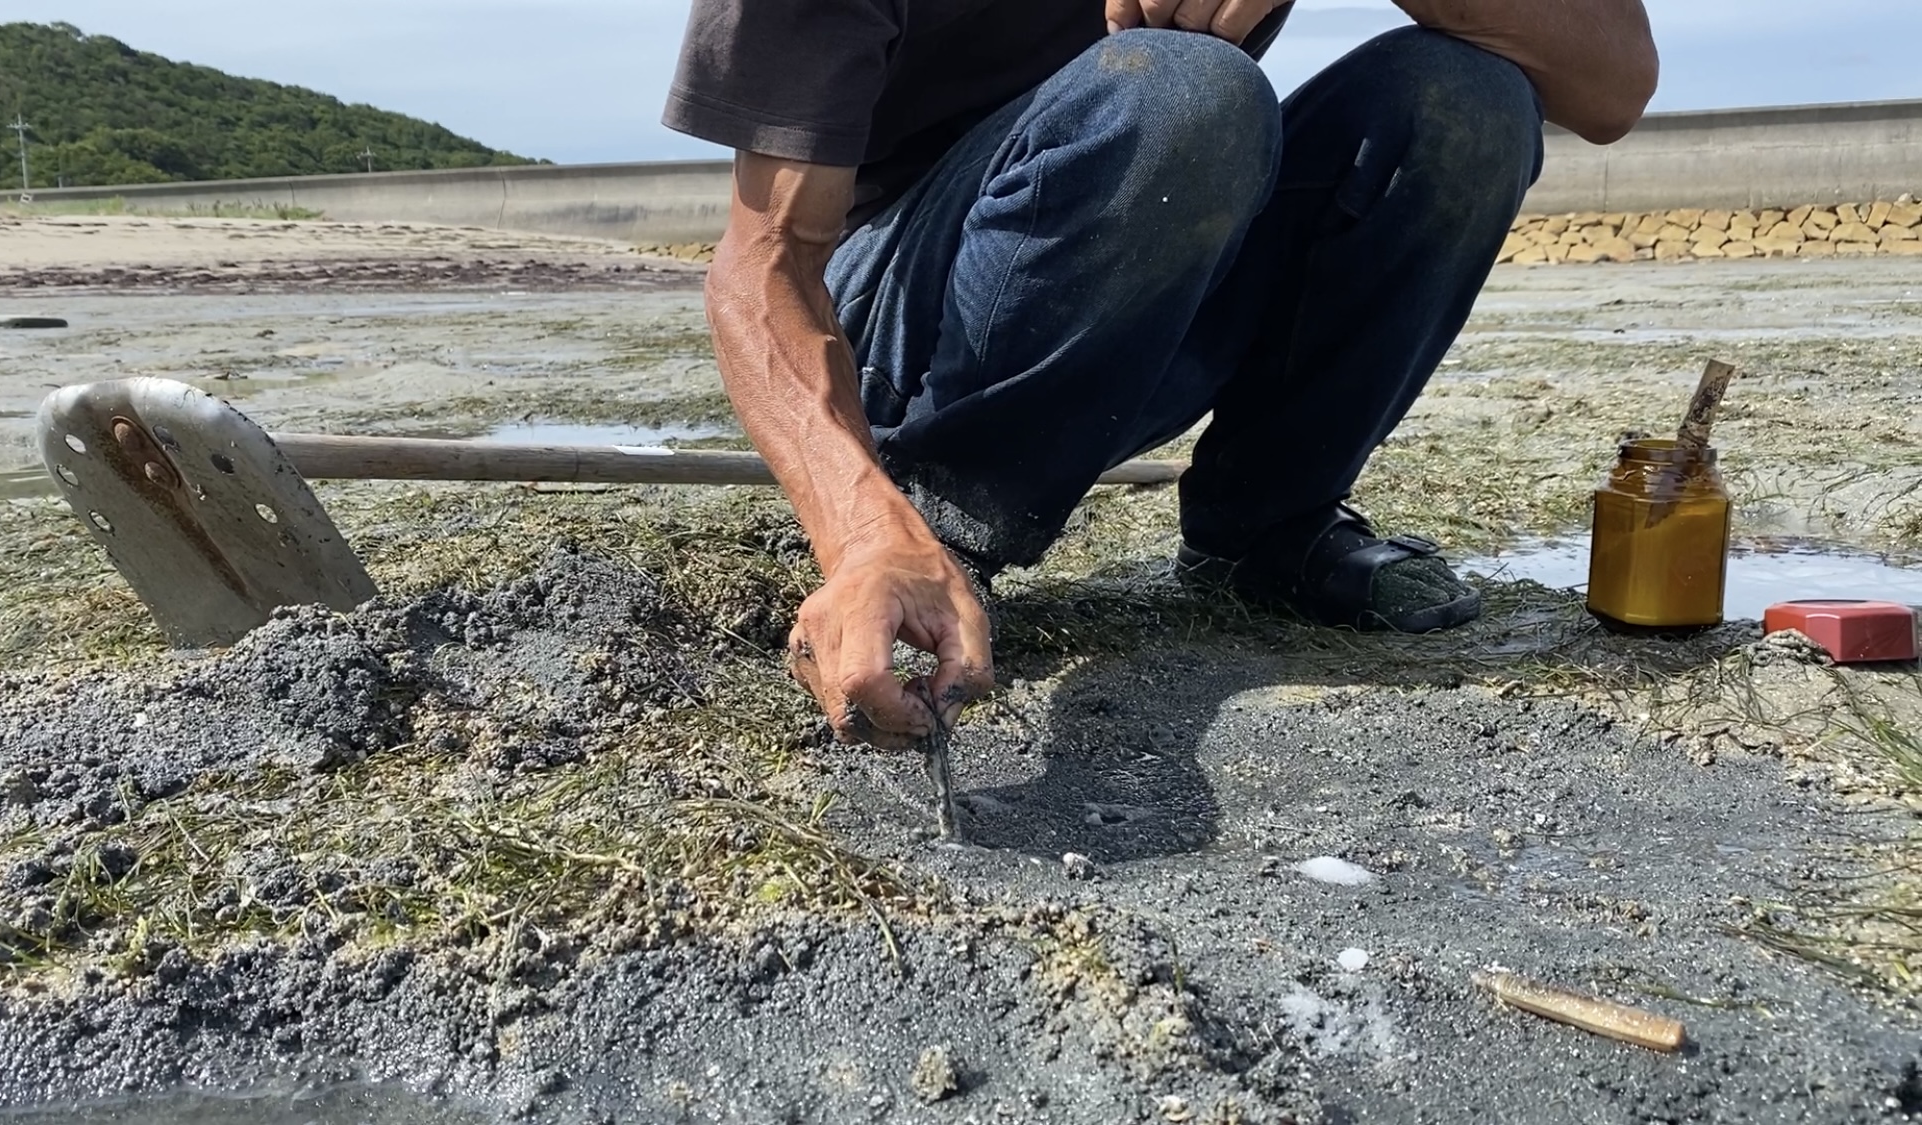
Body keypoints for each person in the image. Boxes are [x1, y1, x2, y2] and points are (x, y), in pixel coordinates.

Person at [662, 0, 1658, 750]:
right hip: (902, 321)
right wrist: (860, 528)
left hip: (1154, 282)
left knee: (1465, 100)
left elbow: (1611, 84)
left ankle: (1267, 527)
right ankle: (934, 533)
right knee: (1184, 85)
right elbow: (765, 263)